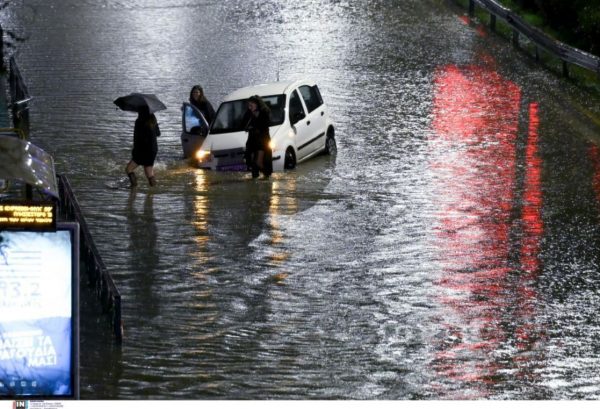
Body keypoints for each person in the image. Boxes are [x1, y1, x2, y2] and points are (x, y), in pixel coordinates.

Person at [126, 106, 160, 187]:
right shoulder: (153, 120)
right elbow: (158, 133)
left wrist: (135, 152)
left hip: (142, 150)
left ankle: (133, 188)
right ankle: (153, 192)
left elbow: (138, 139)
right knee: (149, 173)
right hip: (153, 150)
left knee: (129, 169)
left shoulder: (139, 122)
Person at [243, 95, 272, 178]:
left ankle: (267, 174)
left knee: (259, 162)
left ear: (257, 104)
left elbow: (265, 125)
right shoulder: (249, 113)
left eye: (251, 105)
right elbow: (243, 123)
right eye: (249, 105)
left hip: (262, 141)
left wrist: (254, 126)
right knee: (253, 163)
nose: (250, 107)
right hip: (252, 141)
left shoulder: (264, 112)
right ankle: (256, 180)